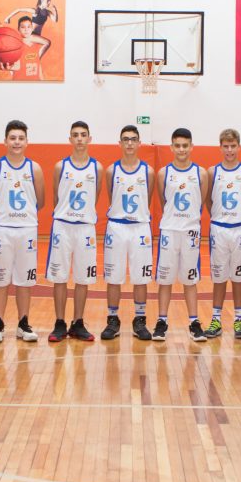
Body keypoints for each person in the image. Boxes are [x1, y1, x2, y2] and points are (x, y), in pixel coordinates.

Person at [0, 120, 45, 341]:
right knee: (0, 279)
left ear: (27, 142)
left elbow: (40, 201)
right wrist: (1, 213)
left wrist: (22, 215)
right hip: (2, 230)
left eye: (21, 138)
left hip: (27, 230)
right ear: (5, 141)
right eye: (13, 138)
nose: (17, 142)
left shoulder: (34, 168)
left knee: (25, 280)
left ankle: (23, 323)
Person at [100, 125, 156, 341]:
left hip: (140, 227)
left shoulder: (148, 172)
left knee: (140, 277)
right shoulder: (111, 171)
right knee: (113, 277)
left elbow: (147, 199)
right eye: (126, 139)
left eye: (133, 139)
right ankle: (112, 319)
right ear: (120, 143)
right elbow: (111, 195)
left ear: (139, 143)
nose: (130, 143)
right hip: (116, 227)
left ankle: (139, 320)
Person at [46, 121, 100, 342]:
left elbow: (95, 197)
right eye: (75, 135)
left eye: (83, 134)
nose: (79, 138)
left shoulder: (97, 168)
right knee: (60, 277)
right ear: (70, 139)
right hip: (63, 226)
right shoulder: (60, 167)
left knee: (82, 278)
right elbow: (56, 197)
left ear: (89, 138)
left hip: (85, 227)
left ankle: (78, 322)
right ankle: (59, 322)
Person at [154, 128, 209, 341]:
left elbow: (201, 201)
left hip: (191, 231)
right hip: (169, 230)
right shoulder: (163, 173)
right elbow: (164, 201)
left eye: (185, 145)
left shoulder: (200, 173)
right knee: (165, 279)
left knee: (190, 279)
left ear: (191, 147)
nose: (181, 149)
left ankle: (194, 322)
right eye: (177, 145)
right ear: (171, 147)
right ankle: (162, 321)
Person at [204, 129, 241, 340]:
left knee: (238, 277)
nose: (230, 150)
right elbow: (208, 200)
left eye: (233, 146)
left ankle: (239, 320)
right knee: (219, 276)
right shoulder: (212, 172)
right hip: (219, 228)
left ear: (239, 147)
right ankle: (216, 319)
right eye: (226, 146)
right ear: (220, 147)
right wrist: (218, 217)